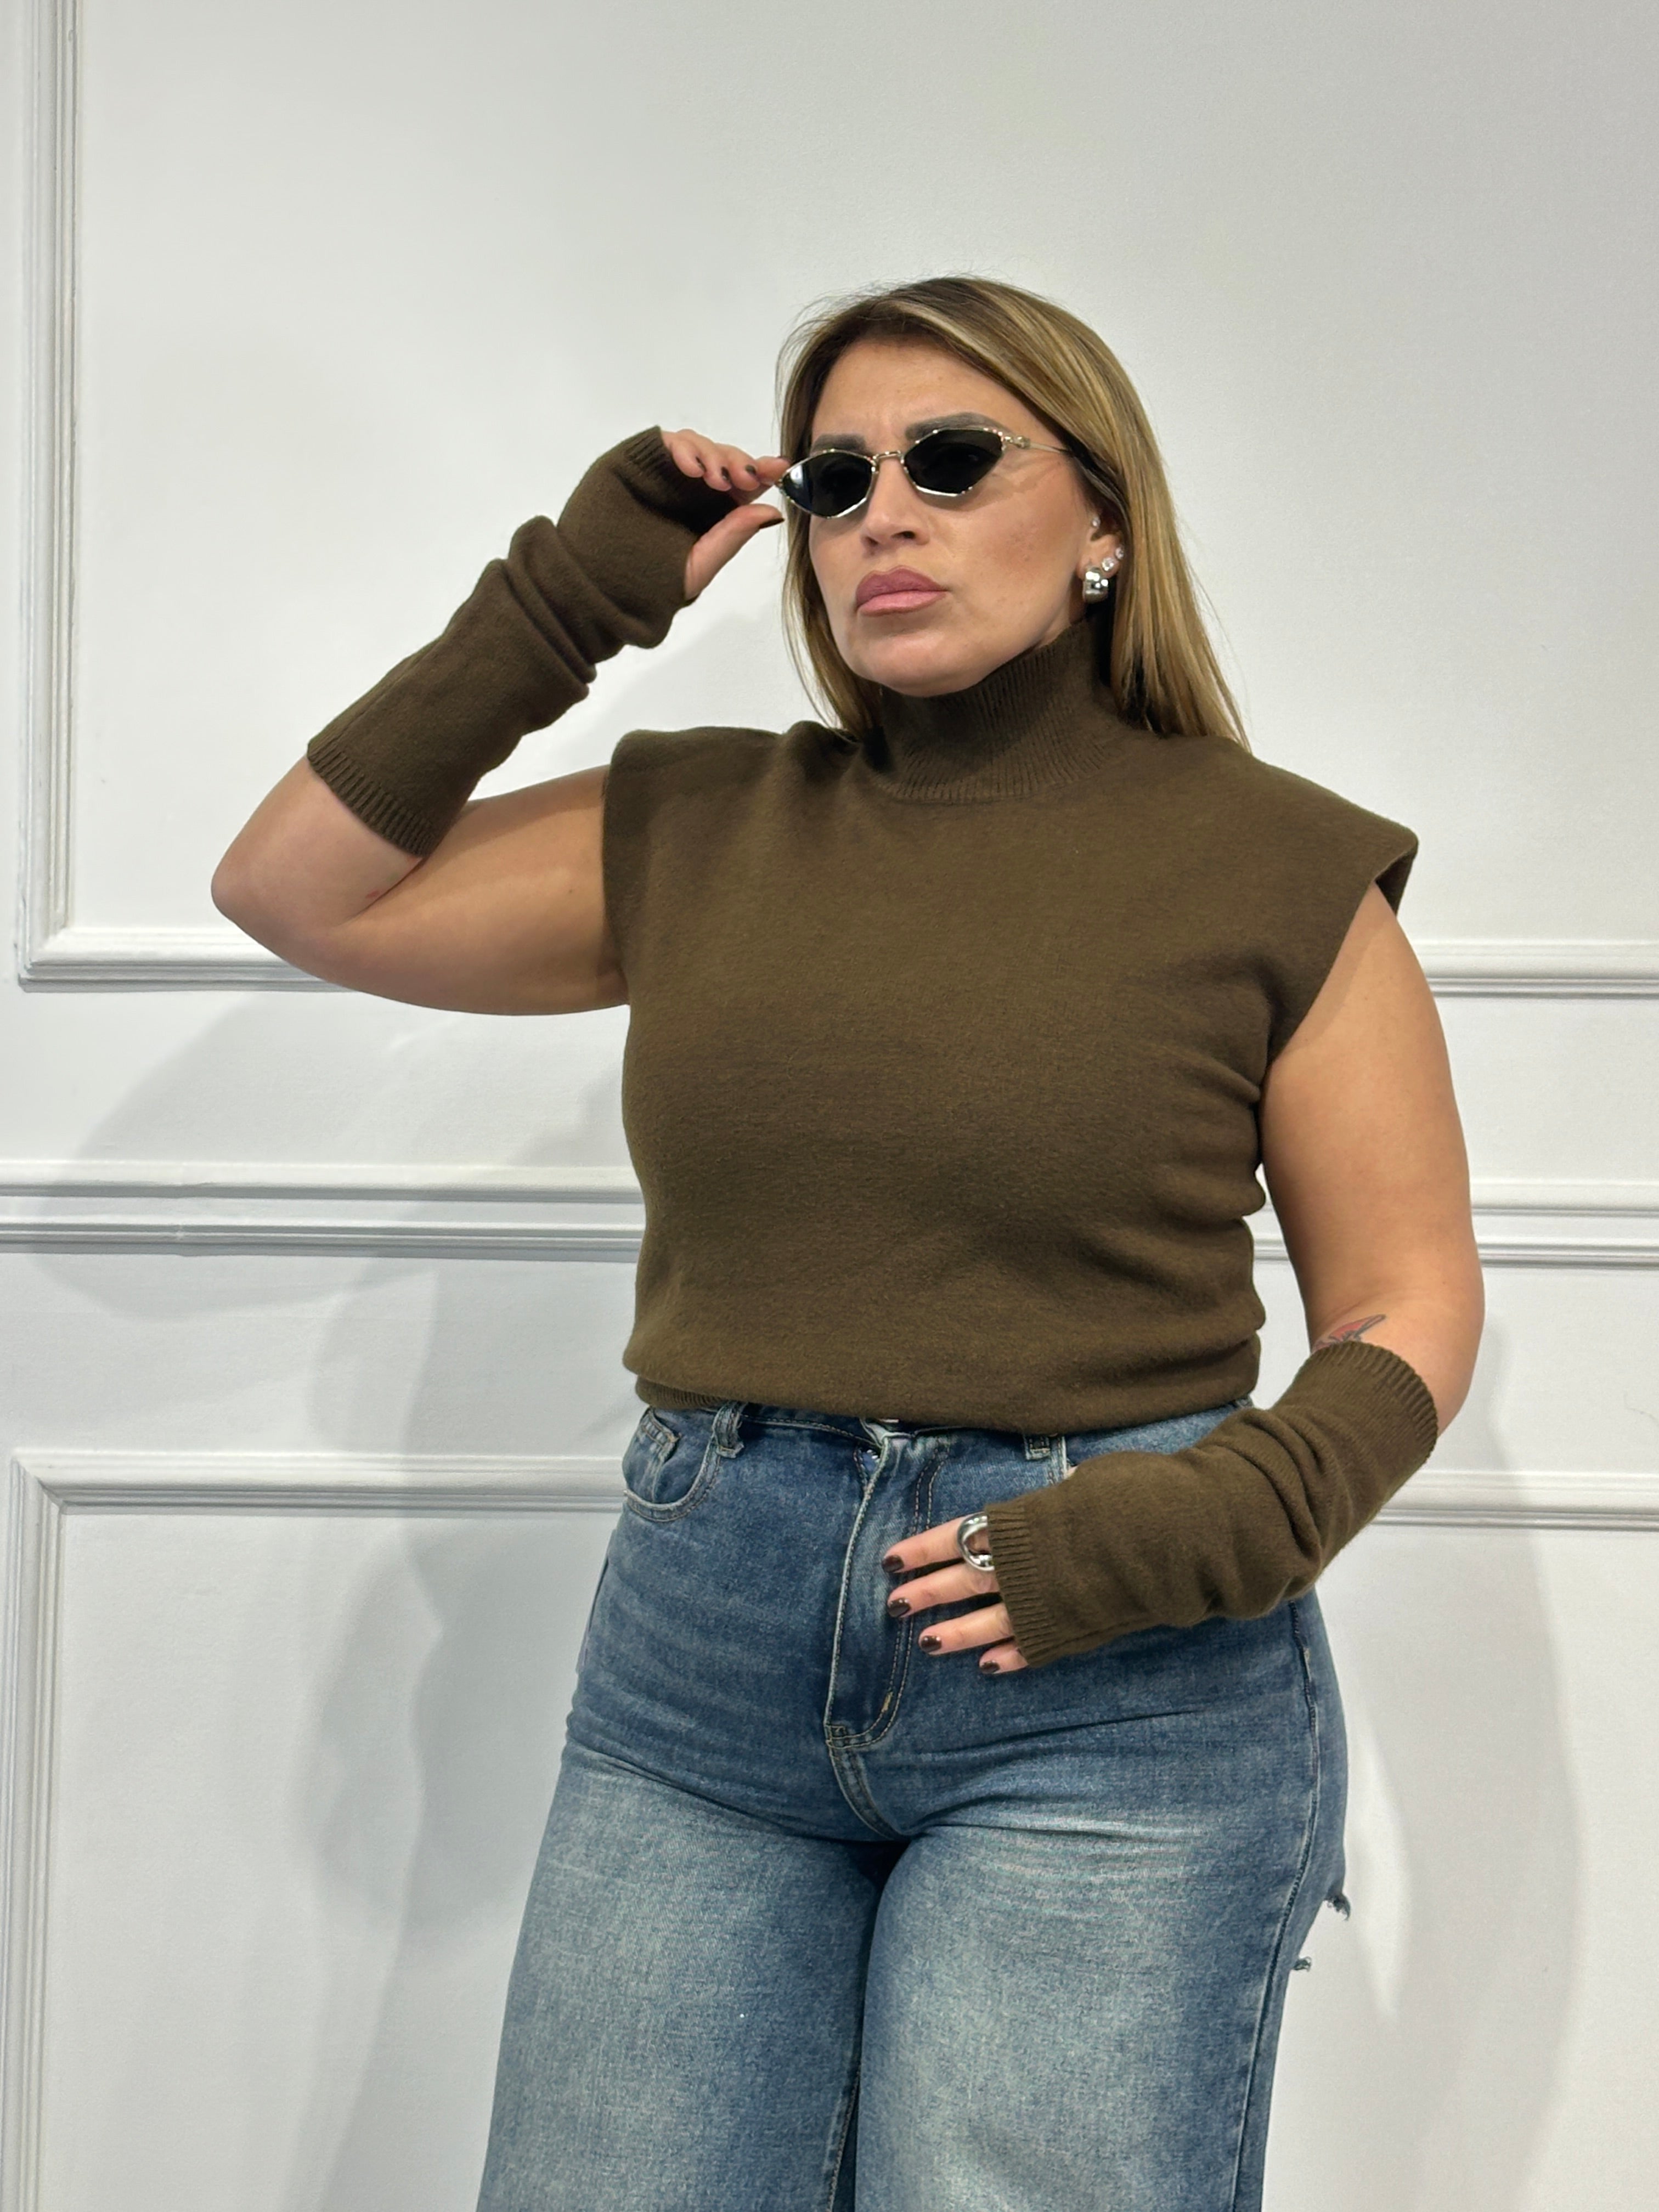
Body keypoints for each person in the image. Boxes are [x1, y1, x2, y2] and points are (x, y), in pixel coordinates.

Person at [213, 275, 1483, 2211]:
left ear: (1104, 517)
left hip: (1115, 1670)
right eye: (834, 478)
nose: (885, 514)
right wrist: (568, 600)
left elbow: (1408, 1300)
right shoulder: (706, 824)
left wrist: (1205, 1528)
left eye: (953, 461)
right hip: (701, 1669)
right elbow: (295, 888)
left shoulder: (1280, 868)